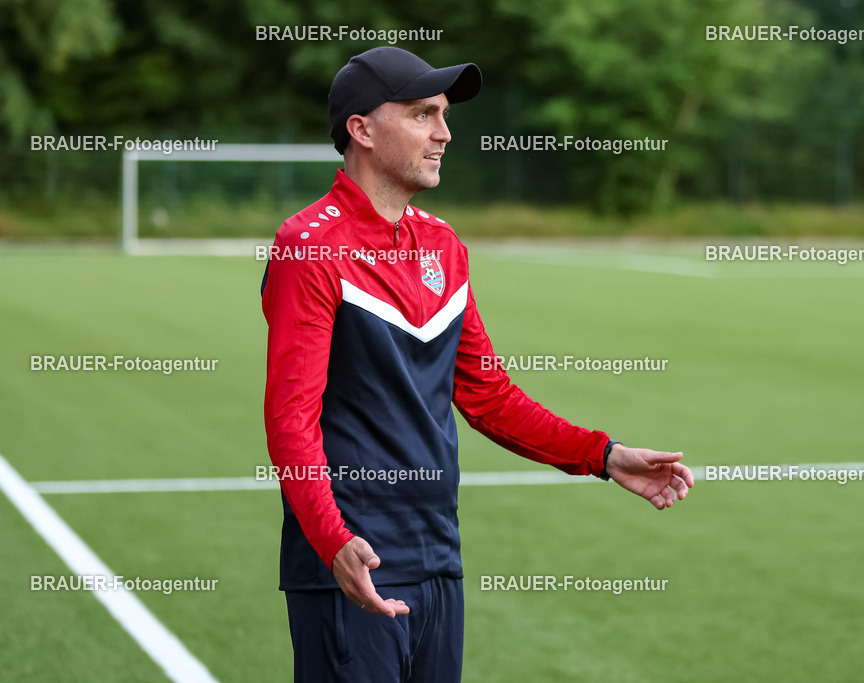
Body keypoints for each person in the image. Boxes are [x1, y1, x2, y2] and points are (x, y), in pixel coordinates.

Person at [261, 46, 694, 682]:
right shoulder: (310, 246)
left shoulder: (443, 246)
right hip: (355, 560)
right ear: (361, 129)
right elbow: (290, 419)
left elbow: (489, 397)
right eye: (421, 114)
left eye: (442, 115)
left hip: (439, 555)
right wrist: (332, 541)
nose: (444, 132)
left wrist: (604, 454)